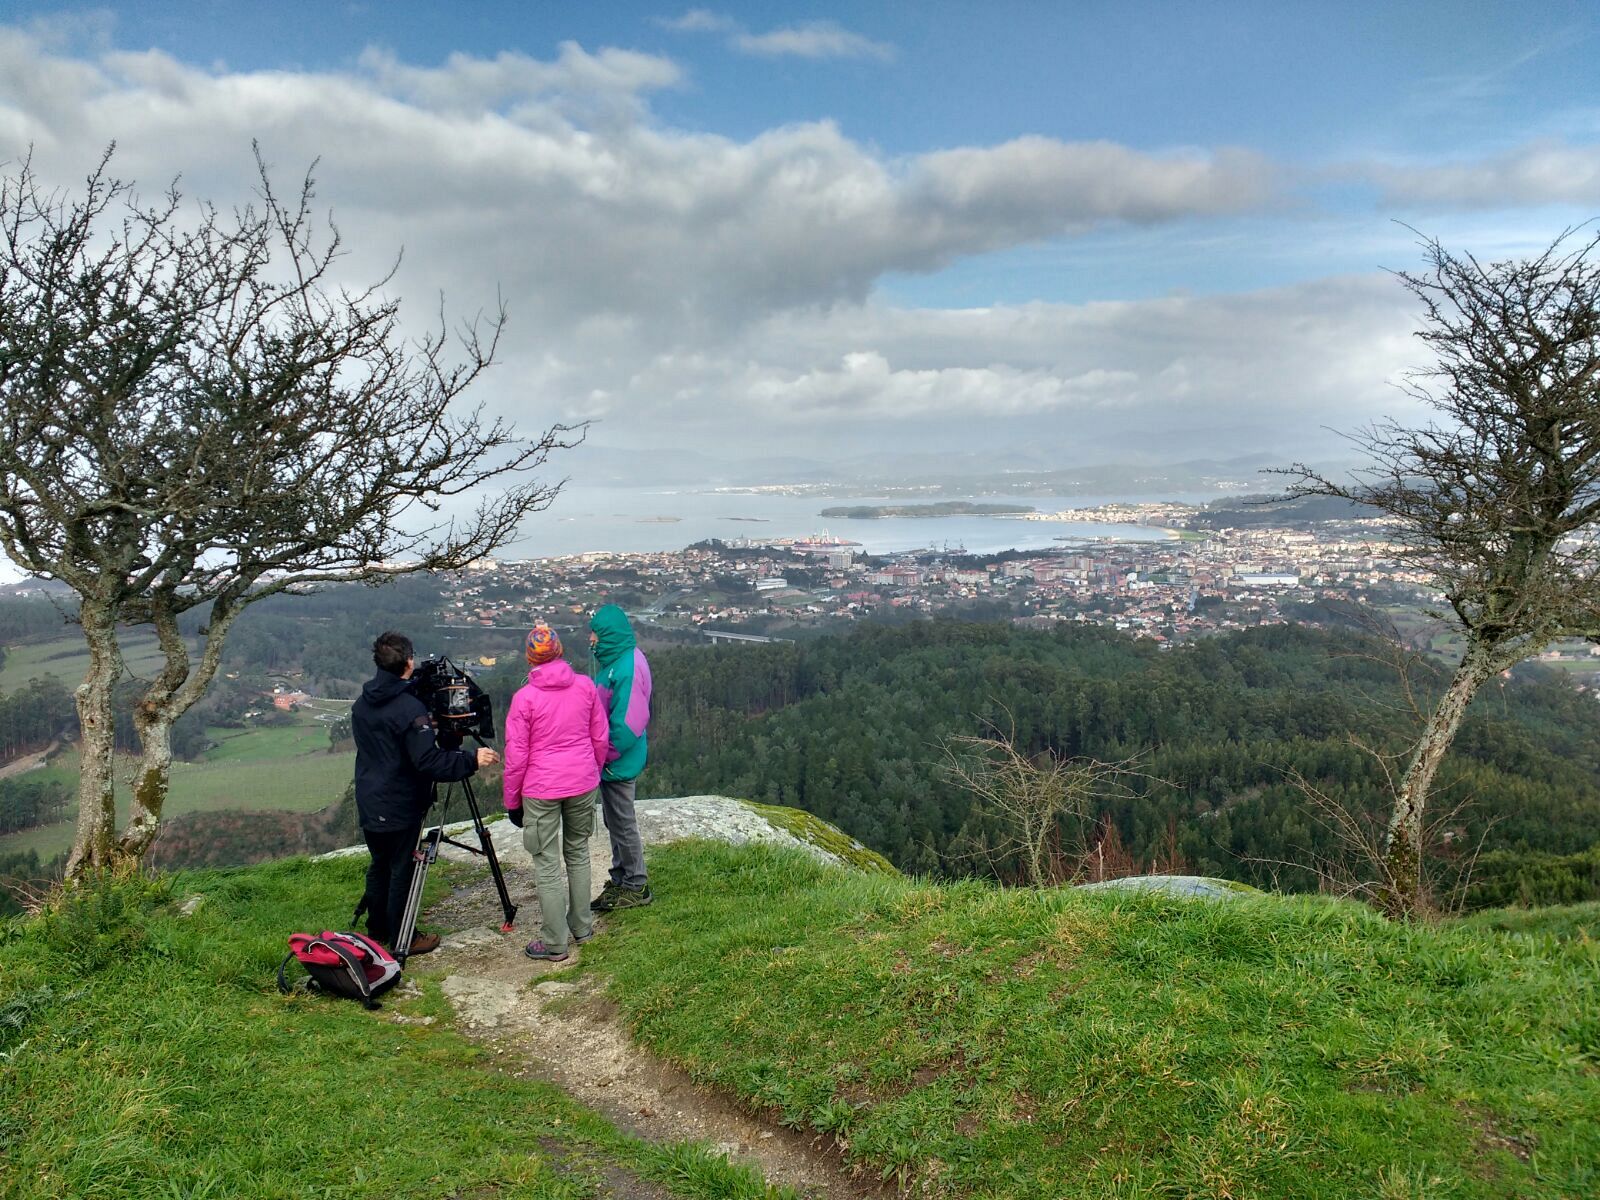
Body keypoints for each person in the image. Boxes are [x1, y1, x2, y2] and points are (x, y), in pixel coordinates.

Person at [352, 630, 497, 956]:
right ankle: (404, 936)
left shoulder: (362, 703)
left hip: (370, 796)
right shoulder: (408, 709)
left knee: (380, 864)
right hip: (400, 800)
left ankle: (378, 928)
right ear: (407, 662)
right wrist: (471, 760)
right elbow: (428, 762)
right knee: (401, 866)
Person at [502, 624, 609, 962]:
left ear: (530, 658)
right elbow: (600, 738)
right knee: (577, 852)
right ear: (560, 652)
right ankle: (583, 928)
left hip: (541, 788)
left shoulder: (525, 699)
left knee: (547, 864)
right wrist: (592, 769)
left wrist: (512, 800)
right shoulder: (585, 687)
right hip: (582, 781)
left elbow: (516, 756)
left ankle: (555, 943)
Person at [588, 604, 653, 911]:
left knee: (623, 822)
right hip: (609, 759)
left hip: (617, 760)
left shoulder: (628, 667)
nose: (591, 640)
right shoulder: (615, 660)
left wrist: (601, 755)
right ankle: (620, 878)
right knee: (613, 819)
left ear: (609, 635)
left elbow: (627, 725)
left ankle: (636, 885)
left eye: (596, 634)